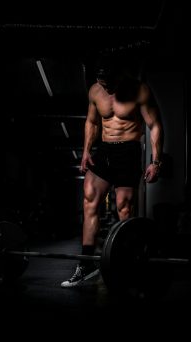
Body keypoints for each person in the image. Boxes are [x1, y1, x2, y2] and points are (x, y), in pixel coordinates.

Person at [61, 56, 163, 288]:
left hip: (128, 152)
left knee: (124, 208)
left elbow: (155, 125)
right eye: (102, 83)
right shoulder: (96, 91)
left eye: (110, 83)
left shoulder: (140, 91)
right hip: (104, 150)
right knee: (89, 200)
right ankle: (86, 264)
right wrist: (86, 150)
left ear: (120, 74)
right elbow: (92, 122)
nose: (106, 88)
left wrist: (156, 162)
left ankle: (129, 262)